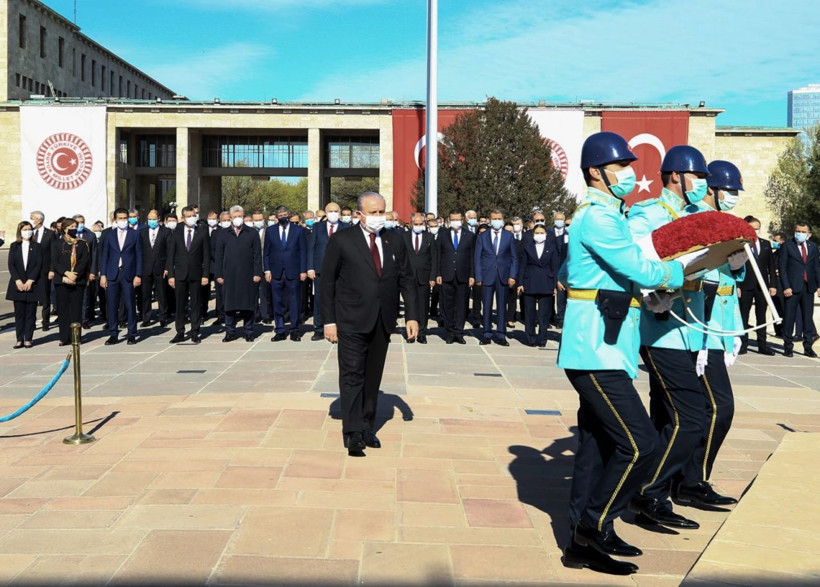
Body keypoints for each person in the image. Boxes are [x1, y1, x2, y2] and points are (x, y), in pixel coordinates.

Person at [557, 131, 686, 576]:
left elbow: (586, 272)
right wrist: (681, 271)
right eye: (620, 166)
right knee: (640, 443)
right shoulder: (598, 217)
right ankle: (590, 529)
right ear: (596, 171)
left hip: (607, 346)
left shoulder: (608, 215)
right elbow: (638, 266)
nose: (630, 173)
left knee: (596, 446)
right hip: (593, 350)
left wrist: (642, 296)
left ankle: (589, 533)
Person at [627, 145, 713, 531]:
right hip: (660, 328)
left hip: (688, 328)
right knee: (692, 416)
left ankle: (656, 495)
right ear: (676, 176)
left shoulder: (700, 216)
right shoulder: (648, 213)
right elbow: (640, 260)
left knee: (667, 415)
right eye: (698, 176)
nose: (702, 184)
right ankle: (647, 490)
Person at [321, 192, 418, 456]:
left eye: (382, 212)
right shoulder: (342, 240)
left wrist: (411, 315)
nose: (379, 218)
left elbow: (406, 279)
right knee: (352, 375)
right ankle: (352, 433)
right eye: (373, 213)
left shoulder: (394, 239)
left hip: (383, 320)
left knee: (373, 377)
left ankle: (366, 427)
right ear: (358, 215)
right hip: (351, 319)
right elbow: (327, 281)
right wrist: (328, 321)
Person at [673, 159, 746, 508]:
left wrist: (737, 266)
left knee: (706, 408)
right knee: (719, 407)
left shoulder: (724, 223)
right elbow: (696, 272)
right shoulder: (699, 220)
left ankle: (690, 478)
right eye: (728, 190)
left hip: (719, 327)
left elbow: (731, 281)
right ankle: (690, 480)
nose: (732, 197)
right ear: (713, 189)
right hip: (700, 327)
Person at [215, 205, 263, 342]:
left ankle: (248, 330)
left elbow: (257, 255)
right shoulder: (223, 234)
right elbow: (218, 256)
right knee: (229, 305)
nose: (237, 219)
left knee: (247, 304)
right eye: (235, 217)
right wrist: (218, 274)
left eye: (240, 216)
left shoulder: (252, 233)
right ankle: (230, 331)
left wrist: (257, 272)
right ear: (230, 218)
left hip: (247, 274)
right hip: (229, 275)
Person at [167, 206, 210, 345]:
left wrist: (205, 275)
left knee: (196, 303)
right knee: (180, 304)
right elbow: (171, 255)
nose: (192, 218)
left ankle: (195, 331)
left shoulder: (202, 231)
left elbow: (206, 255)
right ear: (183, 218)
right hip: (180, 274)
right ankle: (180, 331)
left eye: (194, 215)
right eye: (189, 216)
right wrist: (171, 275)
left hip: (196, 274)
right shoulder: (176, 232)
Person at [475, 209, 518, 346]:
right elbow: (477, 258)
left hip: (503, 276)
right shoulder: (482, 236)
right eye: (494, 218)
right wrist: (478, 276)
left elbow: (514, 258)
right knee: (486, 306)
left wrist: (512, 275)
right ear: (489, 220)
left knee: (501, 307)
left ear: (503, 219)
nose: (497, 221)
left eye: (499, 218)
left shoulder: (509, 236)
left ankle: (501, 334)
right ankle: (486, 333)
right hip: (487, 275)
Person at [100, 208, 142, 345]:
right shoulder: (109, 235)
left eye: (125, 218)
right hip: (112, 274)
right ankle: (113, 333)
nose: (123, 220)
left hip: (128, 274)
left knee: (130, 304)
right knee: (112, 305)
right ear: (115, 220)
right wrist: (103, 274)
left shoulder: (135, 234)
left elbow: (139, 255)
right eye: (121, 218)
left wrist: (138, 274)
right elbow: (104, 256)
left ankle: (131, 333)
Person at [265, 206, 308, 341]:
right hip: (276, 271)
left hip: (293, 271)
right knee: (277, 301)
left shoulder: (298, 231)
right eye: (280, 215)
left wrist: (303, 270)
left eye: (285, 214)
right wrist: (267, 270)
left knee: (294, 301)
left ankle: (294, 329)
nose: (283, 216)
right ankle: (280, 330)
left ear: (289, 215)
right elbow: (266, 252)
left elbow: (302, 251)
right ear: (276, 217)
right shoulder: (270, 231)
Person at [307, 201, 349, 341]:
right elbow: (311, 248)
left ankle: (340, 327)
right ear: (325, 212)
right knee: (320, 299)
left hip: (341, 270)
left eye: (336, 211)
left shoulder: (346, 227)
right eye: (330, 211)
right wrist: (310, 267)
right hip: (321, 269)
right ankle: (318, 328)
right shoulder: (318, 227)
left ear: (340, 212)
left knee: (340, 299)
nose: (333, 214)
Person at [737, 215, 777, 355]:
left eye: (757, 229)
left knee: (761, 315)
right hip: (745, 285)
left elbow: (771, 266)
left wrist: (773, 285)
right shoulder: (740, 244)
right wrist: (737, 285)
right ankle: (743, 344)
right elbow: (736, 266)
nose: (755, 231)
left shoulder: (765, 244)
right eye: (752, 228)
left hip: (762, 286)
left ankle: (762, 344)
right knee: (744, 315)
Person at [779, 221, 820, 358]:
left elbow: (816, 267)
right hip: (792, 287)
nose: (800, 234)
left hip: (808, 287)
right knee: (789, 317)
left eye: (803, 232)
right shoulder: (787, 246)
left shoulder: (813, 247)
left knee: (807, 318)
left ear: (808, 233)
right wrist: (786, 286)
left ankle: (808, 346)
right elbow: (783, 267)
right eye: (798, 231)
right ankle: (788, 346)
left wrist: (818, 285)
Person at [436, 210, 475, 344]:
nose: (455, 222)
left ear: (462, 220)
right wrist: (438, 273)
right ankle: (450, 332)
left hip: (463, 275)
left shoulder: (469, 235)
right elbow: (438, 255)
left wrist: (472, 275)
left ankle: (459, 332)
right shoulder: (443, 234)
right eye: (453, 219)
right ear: (449, 220)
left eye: (457, 219)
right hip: (446, 275)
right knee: (447, 305)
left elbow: (472, 257)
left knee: (461, 305)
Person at [517, 224, 559, 347]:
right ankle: (530, 338)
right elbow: (522, 265)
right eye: (537, 233)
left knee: (544, 314)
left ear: (546, 234)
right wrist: (520, 283)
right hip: (529, 281)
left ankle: (542, 338)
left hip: (546, 283)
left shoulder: (551, 248)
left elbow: (554, 267)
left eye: (541, 232)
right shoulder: (527, 247)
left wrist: (555, 284)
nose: (539, 235)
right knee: (529, 313)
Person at [52, 217, 91, 346]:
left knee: (75, 310)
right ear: (65, 229)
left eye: (76, 226)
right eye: (72, 227)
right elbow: (55, 261)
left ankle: (76, 337)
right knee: (63, 310)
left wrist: (75, 275)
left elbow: (84, 261)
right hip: (62, 280)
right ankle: (64, 337)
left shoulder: (81, 243)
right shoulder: (57, 243)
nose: (74, 229)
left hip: (77, 281)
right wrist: (66, 273)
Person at [6, 221, 43, 348]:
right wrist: (17, 280)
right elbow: (11, 265)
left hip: (32, 285)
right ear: (20, 231)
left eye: (29, 229)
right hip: (18, 285)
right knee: (19, 314)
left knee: (30, 314)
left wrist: (30, 280)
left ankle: (28, 338)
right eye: (25, 229)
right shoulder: (14, 246)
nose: (27, 231)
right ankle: (19, 338)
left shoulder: (37, 246)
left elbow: (38, 265)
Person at [403, 213, 437, 344]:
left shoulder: (429, 237)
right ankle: (410, 333)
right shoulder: (404, 237)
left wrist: (432, 276)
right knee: (410, 305)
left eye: (420, 224)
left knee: (423, 305)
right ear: (411, 224)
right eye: (416, 224)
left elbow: (434, 258)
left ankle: (422, 332)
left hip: (424, 276)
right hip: (408, 276)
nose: (418, 226)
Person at [139, 209, 171, 328]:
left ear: (158, 219)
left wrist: (167, 267)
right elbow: (140, 251)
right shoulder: (142, 232)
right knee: (145, 295)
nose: (151, 221)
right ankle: (146, 318)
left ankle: (163, 317)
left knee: (161, 293)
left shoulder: (165, 232)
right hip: (146, 268)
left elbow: (169, 250)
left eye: (153, 219)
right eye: (149, 219)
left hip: (160, 267)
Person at [29, 211, 54, 331]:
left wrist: (51, 269)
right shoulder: (29, 233)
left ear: (39, 220)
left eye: (32, 218)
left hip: (44, 270)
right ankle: (31, 322)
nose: (31, 221)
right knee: (32, 297)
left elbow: (53, 253)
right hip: (31, 271)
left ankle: (45, 322)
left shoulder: (49, 234)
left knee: (45, 298)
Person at [548, 211, 569, 328]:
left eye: (561, 219)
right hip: (552, 268)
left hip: (564, 268)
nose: (559, 221)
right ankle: (552, 317)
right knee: (551, 297)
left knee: (562, 297)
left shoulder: (568, 234)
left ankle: (561, 320)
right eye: (557, 219)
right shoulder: (549, 233)